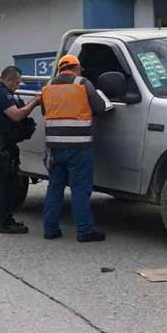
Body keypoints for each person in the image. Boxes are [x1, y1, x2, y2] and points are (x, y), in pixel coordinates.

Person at [39, 55, 113, 243]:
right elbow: (100, 108)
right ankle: (84, 230)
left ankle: (50, 229)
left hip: (54, 147)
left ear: (60, 69)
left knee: (55, 188)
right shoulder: (82, 83)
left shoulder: (47, 87)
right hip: (78, 147)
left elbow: (45, 112)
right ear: (77, 68)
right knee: (80, 189)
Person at [0, 66, 41, 234]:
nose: (18, 86)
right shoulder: (2, 94)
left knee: (2, 184)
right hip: (2, 146)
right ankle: (5, 222)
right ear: (8, 80)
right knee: (6, 185)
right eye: (17, 83)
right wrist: (34, 103)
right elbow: (16, 115)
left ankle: (5, 220)